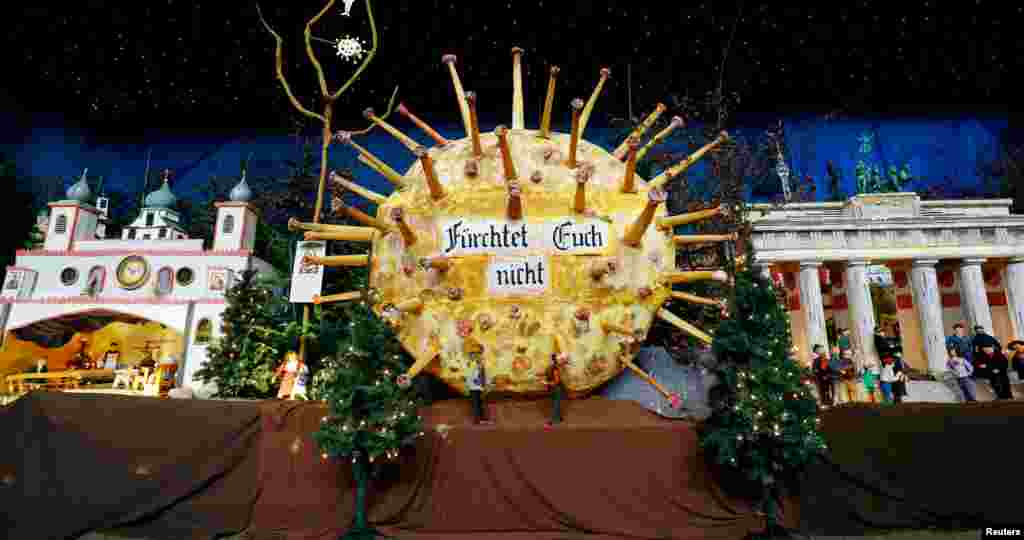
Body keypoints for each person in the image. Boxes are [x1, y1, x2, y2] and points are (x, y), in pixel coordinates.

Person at [464, 337, 489, 424]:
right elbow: (470, 374)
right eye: (474, 353)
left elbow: (482, 374)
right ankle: (478, 419)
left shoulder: (478, 362)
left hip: (477, 386)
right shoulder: (471, 362)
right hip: (474, 386)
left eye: (478, 353)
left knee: (479, 402)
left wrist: (484, 384)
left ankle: (480, 418)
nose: (476, 354)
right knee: (476, 403)